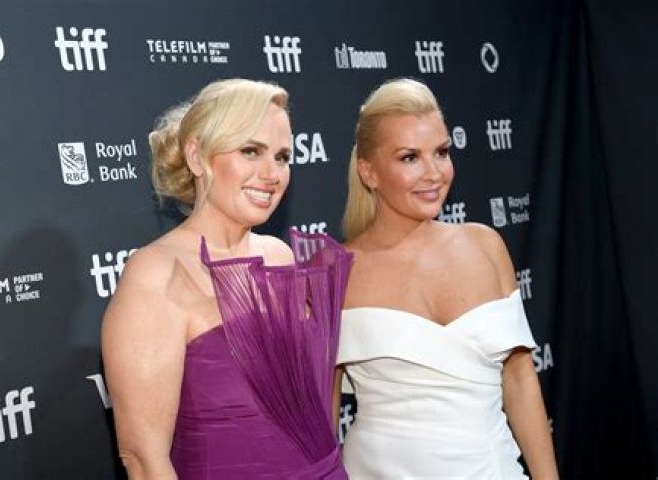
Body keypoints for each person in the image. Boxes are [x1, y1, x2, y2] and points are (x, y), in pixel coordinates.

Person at [101, 79, 350, 480]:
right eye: (250, 151)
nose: (271, 173)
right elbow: (145, 460)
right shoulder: (156, 273)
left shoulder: (280, 255)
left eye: (282, 156)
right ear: (197, 157)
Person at [335, 78, 559, 479]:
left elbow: (520, 378)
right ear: (369, 172)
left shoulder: (485, 246)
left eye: (441, 152)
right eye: (409, 157)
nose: (434, 173)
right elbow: (323, 410)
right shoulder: (336, 270)